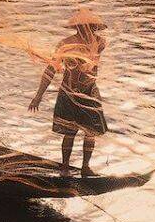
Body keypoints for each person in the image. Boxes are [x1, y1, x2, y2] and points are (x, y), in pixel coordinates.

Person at [30, 9, 109, 175]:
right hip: (69, 92)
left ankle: (85, 167)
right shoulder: (66, 44)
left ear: (94, 27)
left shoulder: (100, 42)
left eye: (90, 27)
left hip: (90, 92)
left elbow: (91, 60)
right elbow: (51, 68)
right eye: (83, 27)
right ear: (78, 28)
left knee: (90, 132)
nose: (87, 30)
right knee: (69, 132)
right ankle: (65, 166)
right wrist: (38, 96)